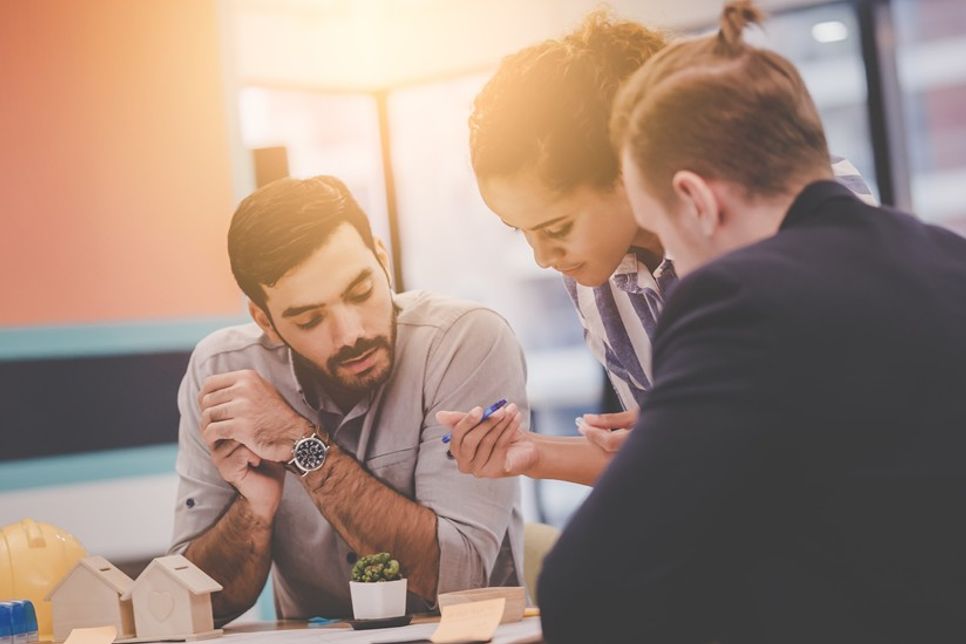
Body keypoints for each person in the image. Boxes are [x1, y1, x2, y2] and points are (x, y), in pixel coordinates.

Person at [538, 2, 966, 642]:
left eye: (667, 237)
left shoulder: (738, 301)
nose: (668, 269)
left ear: (696, 201)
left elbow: (586, 585)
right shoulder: (948, 258)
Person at [437, 9, 877, 485]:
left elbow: (864, 418)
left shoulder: (804, 207)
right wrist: (533, 453)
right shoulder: (596, 279)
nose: (543, 258)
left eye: (557, 227)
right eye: (517, 230)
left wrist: (695, 439)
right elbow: (673, 462)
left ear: (627, 171)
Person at [169, 176, 527, 622]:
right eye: (309, 318)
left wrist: (304, 448)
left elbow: (458, 577)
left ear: (381, 258)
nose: (351, 333)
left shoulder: (463, 341)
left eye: (360, 292)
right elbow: (191, 605)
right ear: (266, 321)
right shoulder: (222, 372)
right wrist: (253, 509)